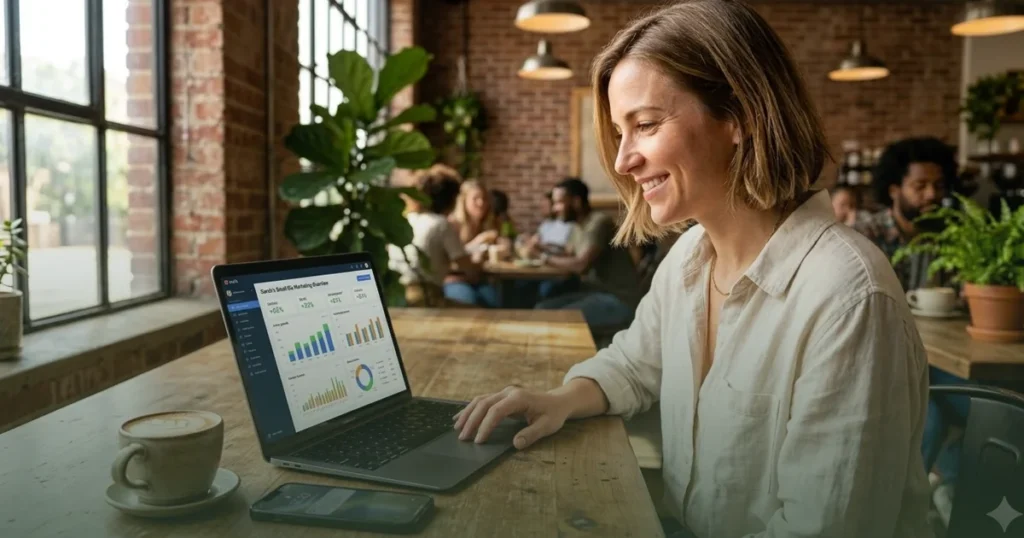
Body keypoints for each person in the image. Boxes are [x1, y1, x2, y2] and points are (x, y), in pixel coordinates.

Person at [453, 2, 932, 537]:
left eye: (647, 125)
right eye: (620, 131)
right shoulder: (688, 257)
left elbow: (821, 529)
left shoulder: (848, 297)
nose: (622, 160)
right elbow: (635, 364)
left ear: (741, 117)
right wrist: (558, 400)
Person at [532, 178, 640, 331]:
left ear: (576, 202)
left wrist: (541, 256)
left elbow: (580, 265)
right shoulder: (577, 225)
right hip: (593, 293)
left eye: (559, 203)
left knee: (559, 320)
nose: (554, 209)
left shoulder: (599, 223)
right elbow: (568, 254)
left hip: (618, 299)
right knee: (542, 309)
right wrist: (540, 247)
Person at [871, 136, 959, 292]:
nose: (932, 194)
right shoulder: (867, 235)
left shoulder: (952, 235)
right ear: (893, 191)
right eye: (920, 186)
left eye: (938, 185)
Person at [386, 165, 482, 307]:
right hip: (425, 297)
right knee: (479, 312)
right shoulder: (441, 224)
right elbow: (471, 271)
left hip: (394, 297)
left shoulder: (404, 220)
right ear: (451, 199)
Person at [446, 180, 501, 307]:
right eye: (475, 198)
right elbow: (450, 258)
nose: (481, 203)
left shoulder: (487, 223)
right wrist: (478, 241)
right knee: (469, 301)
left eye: (484, 199)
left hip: (478, 279)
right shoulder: (452, 224)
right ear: (464, 201)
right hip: (454, 279)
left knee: (495, 302)